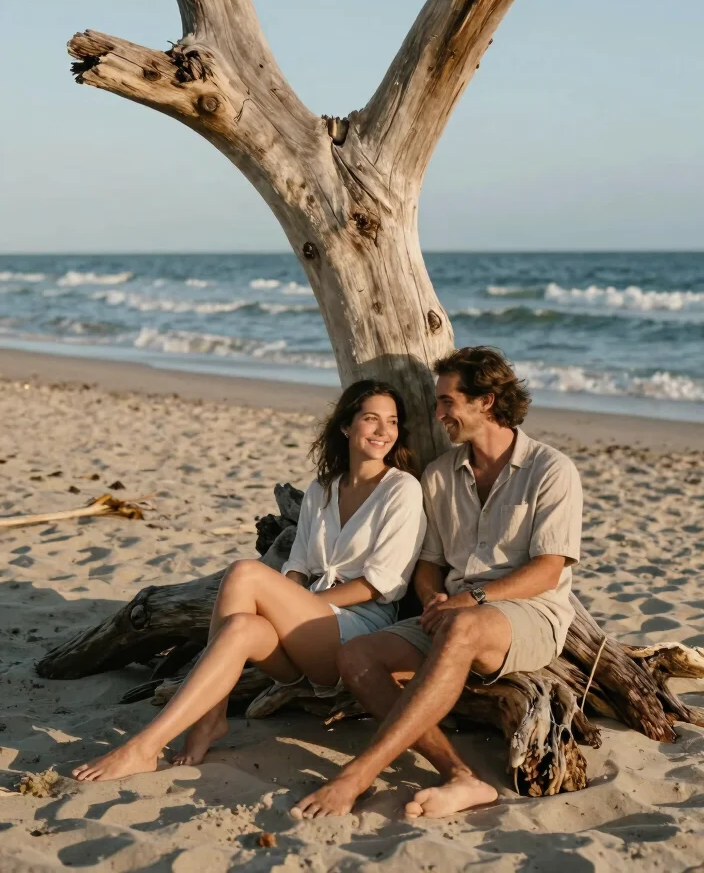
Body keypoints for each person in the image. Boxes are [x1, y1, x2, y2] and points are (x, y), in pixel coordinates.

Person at [73, 380, 426, 782]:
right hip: (304, 635)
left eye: (392, 422)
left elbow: (380, 586)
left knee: (244, 572)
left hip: (357, 632)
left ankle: (161, 739)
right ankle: (186, 730)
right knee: (241, 627)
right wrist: (288, 603)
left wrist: (296, 604)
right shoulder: (323, 488)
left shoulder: (401, 489)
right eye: (371, 419)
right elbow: (297, 563)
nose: (383, 431)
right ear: (346, 426)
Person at [292, 346, 582, 820]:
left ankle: (357, 775)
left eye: (447, 401)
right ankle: (460, 775)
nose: (438, 412)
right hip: (456, 612)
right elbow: (428, 564)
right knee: (356, 654)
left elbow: (548, 570)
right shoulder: (439, 474)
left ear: (485, 401)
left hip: (532, 613)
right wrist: (432, 598)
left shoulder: (550, 471)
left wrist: (472, 599)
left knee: (463, 627)